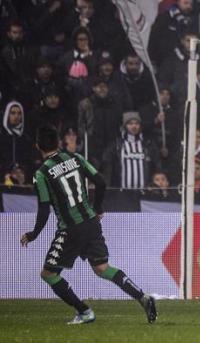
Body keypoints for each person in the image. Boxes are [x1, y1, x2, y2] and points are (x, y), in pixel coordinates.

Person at [19, 125, 157, 325]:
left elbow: (43, 210)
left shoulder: (41, 174)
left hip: (70, 229)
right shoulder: (76, 158)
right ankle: (143, 298)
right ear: (59, 143)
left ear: (37, 146)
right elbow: (100, 182)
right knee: (102, 268)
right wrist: (98, 208)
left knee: (48, 273)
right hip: (91, 223)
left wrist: (34, 234)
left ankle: (84, 311)